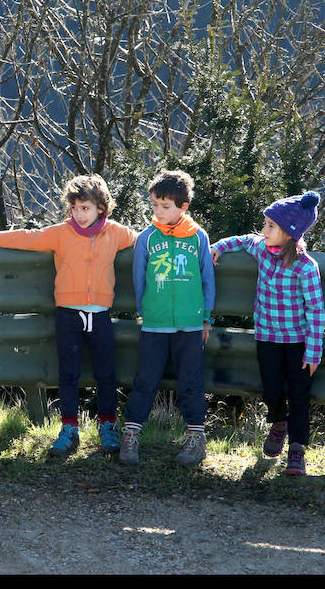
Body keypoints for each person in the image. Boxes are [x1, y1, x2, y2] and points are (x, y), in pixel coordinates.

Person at [0, 174, 138, 457]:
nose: (79, 214)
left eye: (86, 208)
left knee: (106, 373)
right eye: (75, 208)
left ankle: (108, 427)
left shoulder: (116, 233)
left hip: (101, 314)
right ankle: (69, 429)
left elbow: (146, 241)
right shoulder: (61, 232)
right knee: (68, 373)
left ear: (101, 208)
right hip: (68, 314)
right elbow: (27, 238)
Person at [210, 190, 325, 475]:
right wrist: (218, 247)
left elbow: (315, 310)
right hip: (267, 338)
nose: (264, 230)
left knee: (299, 394)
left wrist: (313, 352)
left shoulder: (305, 267)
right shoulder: (261, 248)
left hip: (298, 343)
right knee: (271, 389)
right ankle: (278, 424)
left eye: (270, 226)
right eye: (265, 224)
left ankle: (297, 451)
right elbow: (241, 240)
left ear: (290, 232)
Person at [119, 169, 216, 467]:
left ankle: (196, 438)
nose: (158, 212)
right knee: (145, 379)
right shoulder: (146, 238)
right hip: (155, 324)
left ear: (183, 207)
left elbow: (206, 279)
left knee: (191, 381)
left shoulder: (199, 237)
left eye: (166, 206)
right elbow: (139, 278)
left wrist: (206, 317)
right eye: (155, 205)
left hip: (190, 324)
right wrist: (145, 311)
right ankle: (131, 435)